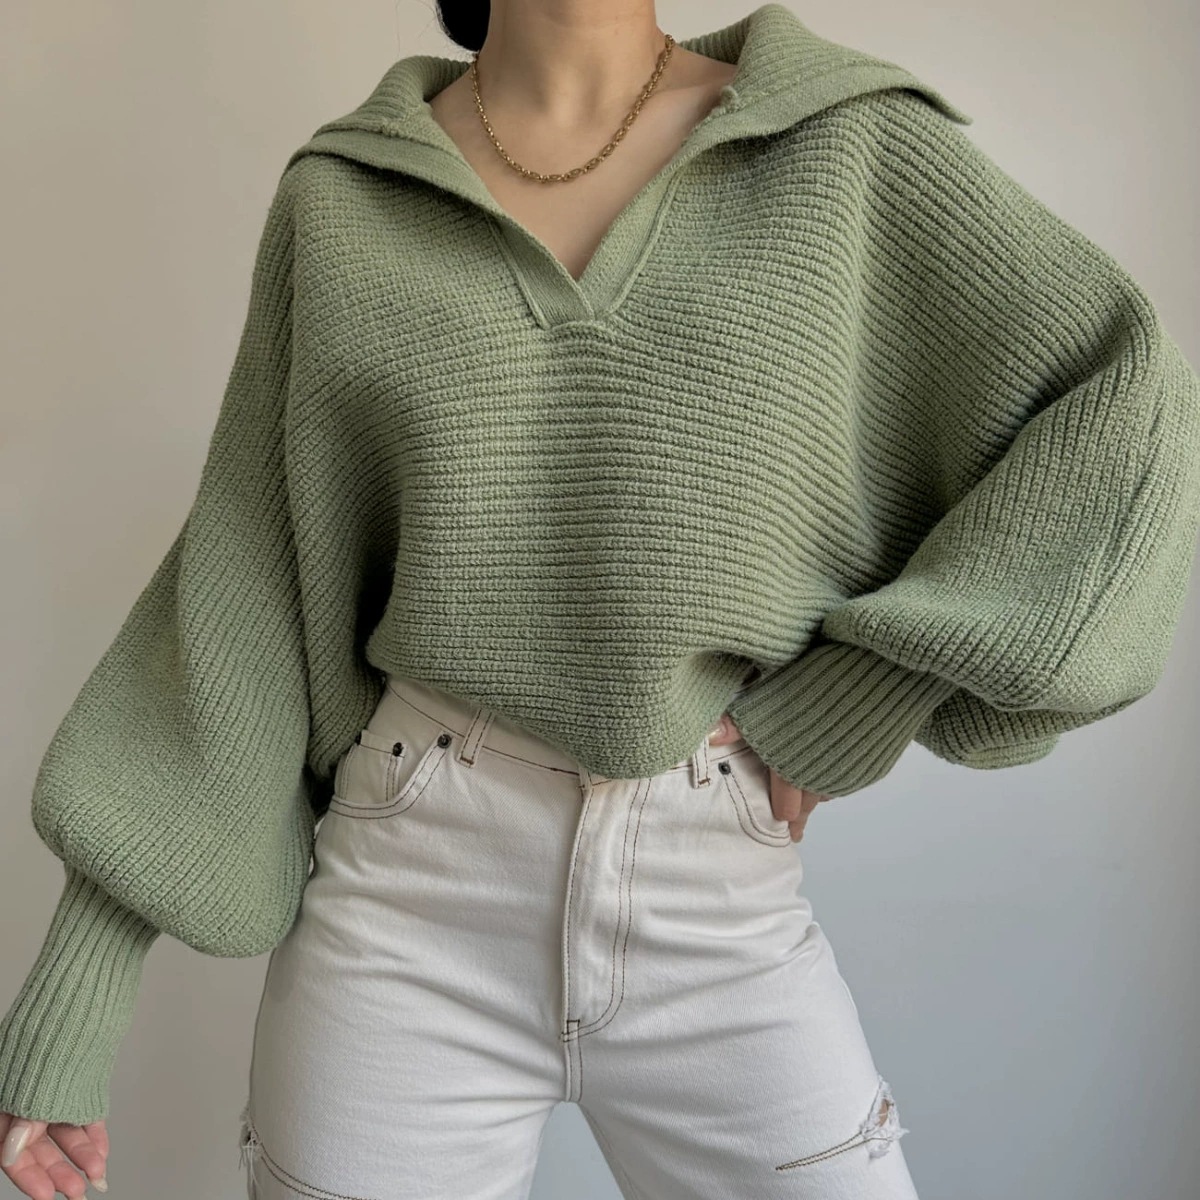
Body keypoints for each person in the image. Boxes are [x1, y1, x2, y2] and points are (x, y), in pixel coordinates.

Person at [3, 2, 1199, 1197]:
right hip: (407, 900)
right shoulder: (346, 199)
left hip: (713, 896)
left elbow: (1126, 405)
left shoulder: (845, 145)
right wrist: (79, 991)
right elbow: (244, 584)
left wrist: (860, 694)